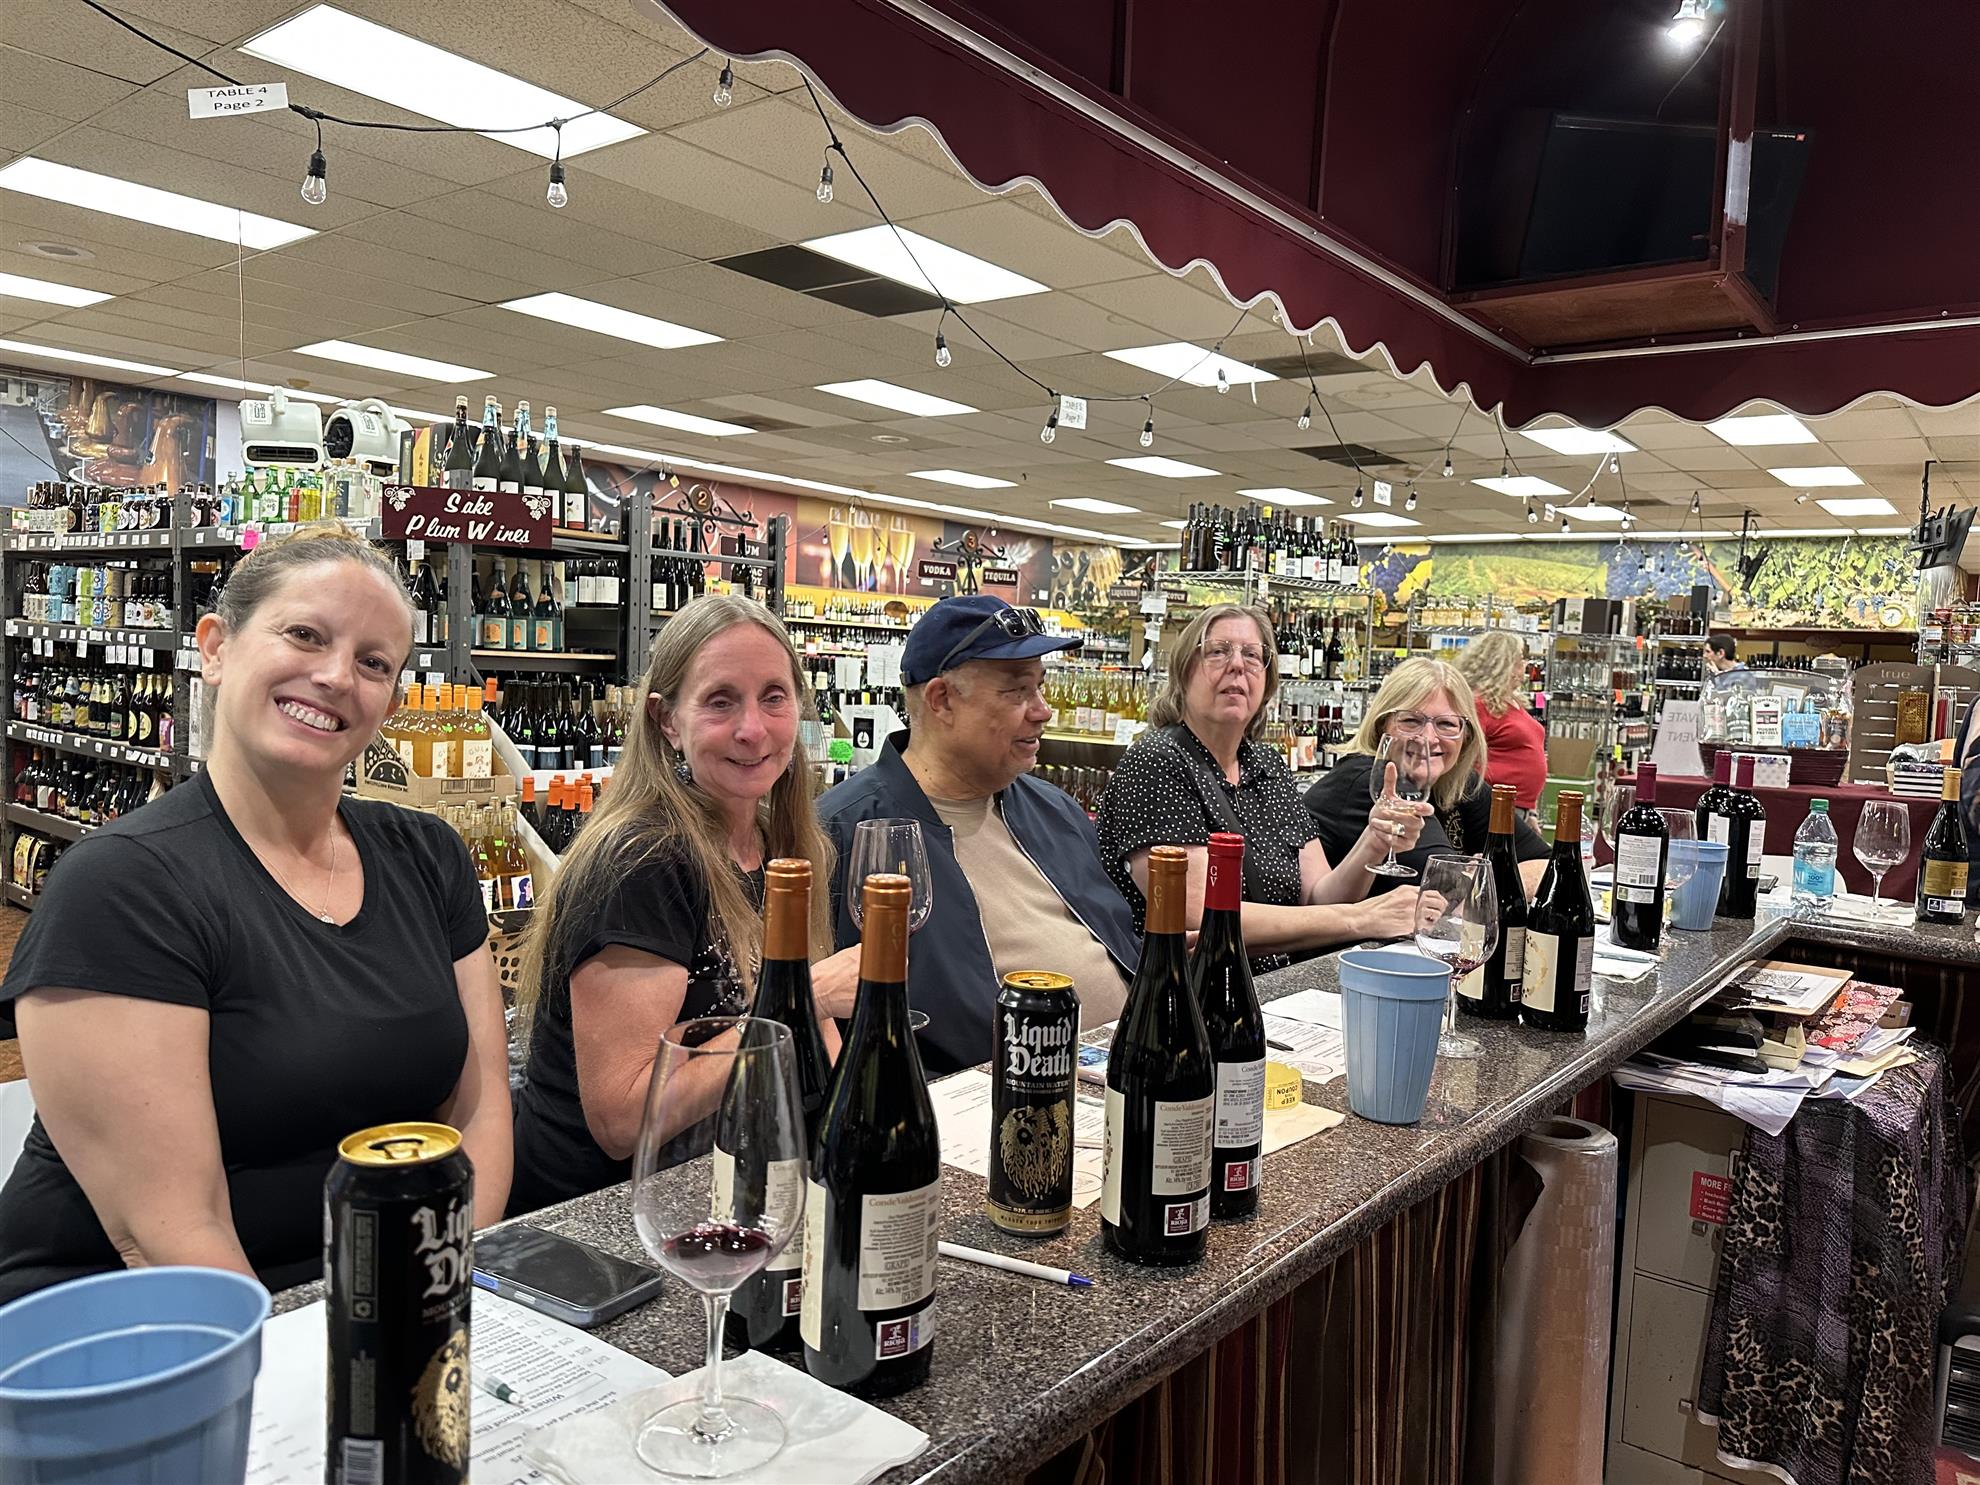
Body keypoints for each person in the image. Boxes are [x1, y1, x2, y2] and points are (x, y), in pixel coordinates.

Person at [0, 526, 511, 1303]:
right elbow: (172, 1232)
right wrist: (357, 1350)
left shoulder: (428, 855)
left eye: (374, 663)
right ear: (215, 647)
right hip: (148, 1318)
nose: (336, 676)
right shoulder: (123, 887)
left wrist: (444, 1288)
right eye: (304, 634)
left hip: (379, 1295)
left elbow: (480, 1110)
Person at [509, 594, 853, 1214]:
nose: (753, 729)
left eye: (773, 697)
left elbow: (817, 1052)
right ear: (667, 720)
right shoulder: (642, 862)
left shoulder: (776, 842)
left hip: (729, 1192)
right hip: (606, 1221)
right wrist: (802, 999)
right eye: (721, 701)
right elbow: (622, 1118)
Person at [816, 596, 1140, 1074]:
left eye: (1040, 687)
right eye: (1017, 691)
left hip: (1122, 1071)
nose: (1043, 711)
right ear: (942, 700)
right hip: (983, 1100)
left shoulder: (1054, 809)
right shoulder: (843, 831)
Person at [1095, 605, 1429, 971]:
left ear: (1267, 684)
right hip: (1190, 991)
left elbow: (1320, 897)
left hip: (1272, 983)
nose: (1237, 665)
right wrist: (1362, 918)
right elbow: (1196, 912)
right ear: (1183, 672)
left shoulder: (1267, 765)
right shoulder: (1157, 761)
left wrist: (1375, 840)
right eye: (1218, 651)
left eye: (1253, 655)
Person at [1304, 658, 1552, 896]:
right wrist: (1488, 875)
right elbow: (1447, 888)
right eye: (1411, 721)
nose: (1428, 738)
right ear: (1382, 727)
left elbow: (1549, 866)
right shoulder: (1371, 779)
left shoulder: (1460, 784)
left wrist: (1481, 879)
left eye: (1446, 724)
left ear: (1466, 735)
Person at [1453, 629, 1547, 813]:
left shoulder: (1511, 702)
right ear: (1503, 665)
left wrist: (1531, 812)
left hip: (1519, 807)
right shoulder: (1480, 705)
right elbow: (1461, 756)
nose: (1525, 665)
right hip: (1493, 806)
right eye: (1520, 659)